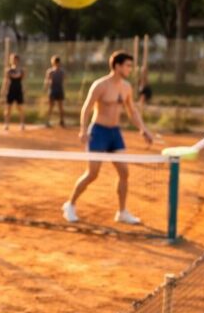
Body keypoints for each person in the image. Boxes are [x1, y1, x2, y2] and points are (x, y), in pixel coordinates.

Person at [62, 51, 154, 225]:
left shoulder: (126, 87)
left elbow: (132, 111)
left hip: (115, 133)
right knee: (92, 173)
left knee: (124, 173)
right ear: (117, 66)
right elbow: (87, 108)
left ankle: (122, 212)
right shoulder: (101, 85)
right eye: (127, 65)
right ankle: (70, 204)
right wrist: (83, 130)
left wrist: (144, 129)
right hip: (98, 132)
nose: (130, 69)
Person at [1, 53, 25, 131]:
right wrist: (3, 90)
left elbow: (23, 80)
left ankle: (22, 124)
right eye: (13, 59)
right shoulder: (8, 70)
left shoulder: (21, 70)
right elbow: (6, 80)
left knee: (20, 108)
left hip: (18, 90)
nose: (14, 61)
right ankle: (6, 124)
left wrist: (24, 89)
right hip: (10, 90)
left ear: (18, 60)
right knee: (8, 108)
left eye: (15, 59)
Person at [43, 55, 66, 128]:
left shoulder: (62, 71)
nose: (56, 63)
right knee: (50, 107)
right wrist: (46, 88)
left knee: (60, 107)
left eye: (57, 62)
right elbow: (47, 80)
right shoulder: (50, 71)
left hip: (59, 89)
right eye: (55, 62)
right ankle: (47, 121)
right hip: (52, 90)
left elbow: (64, 80)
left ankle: (61, 121)